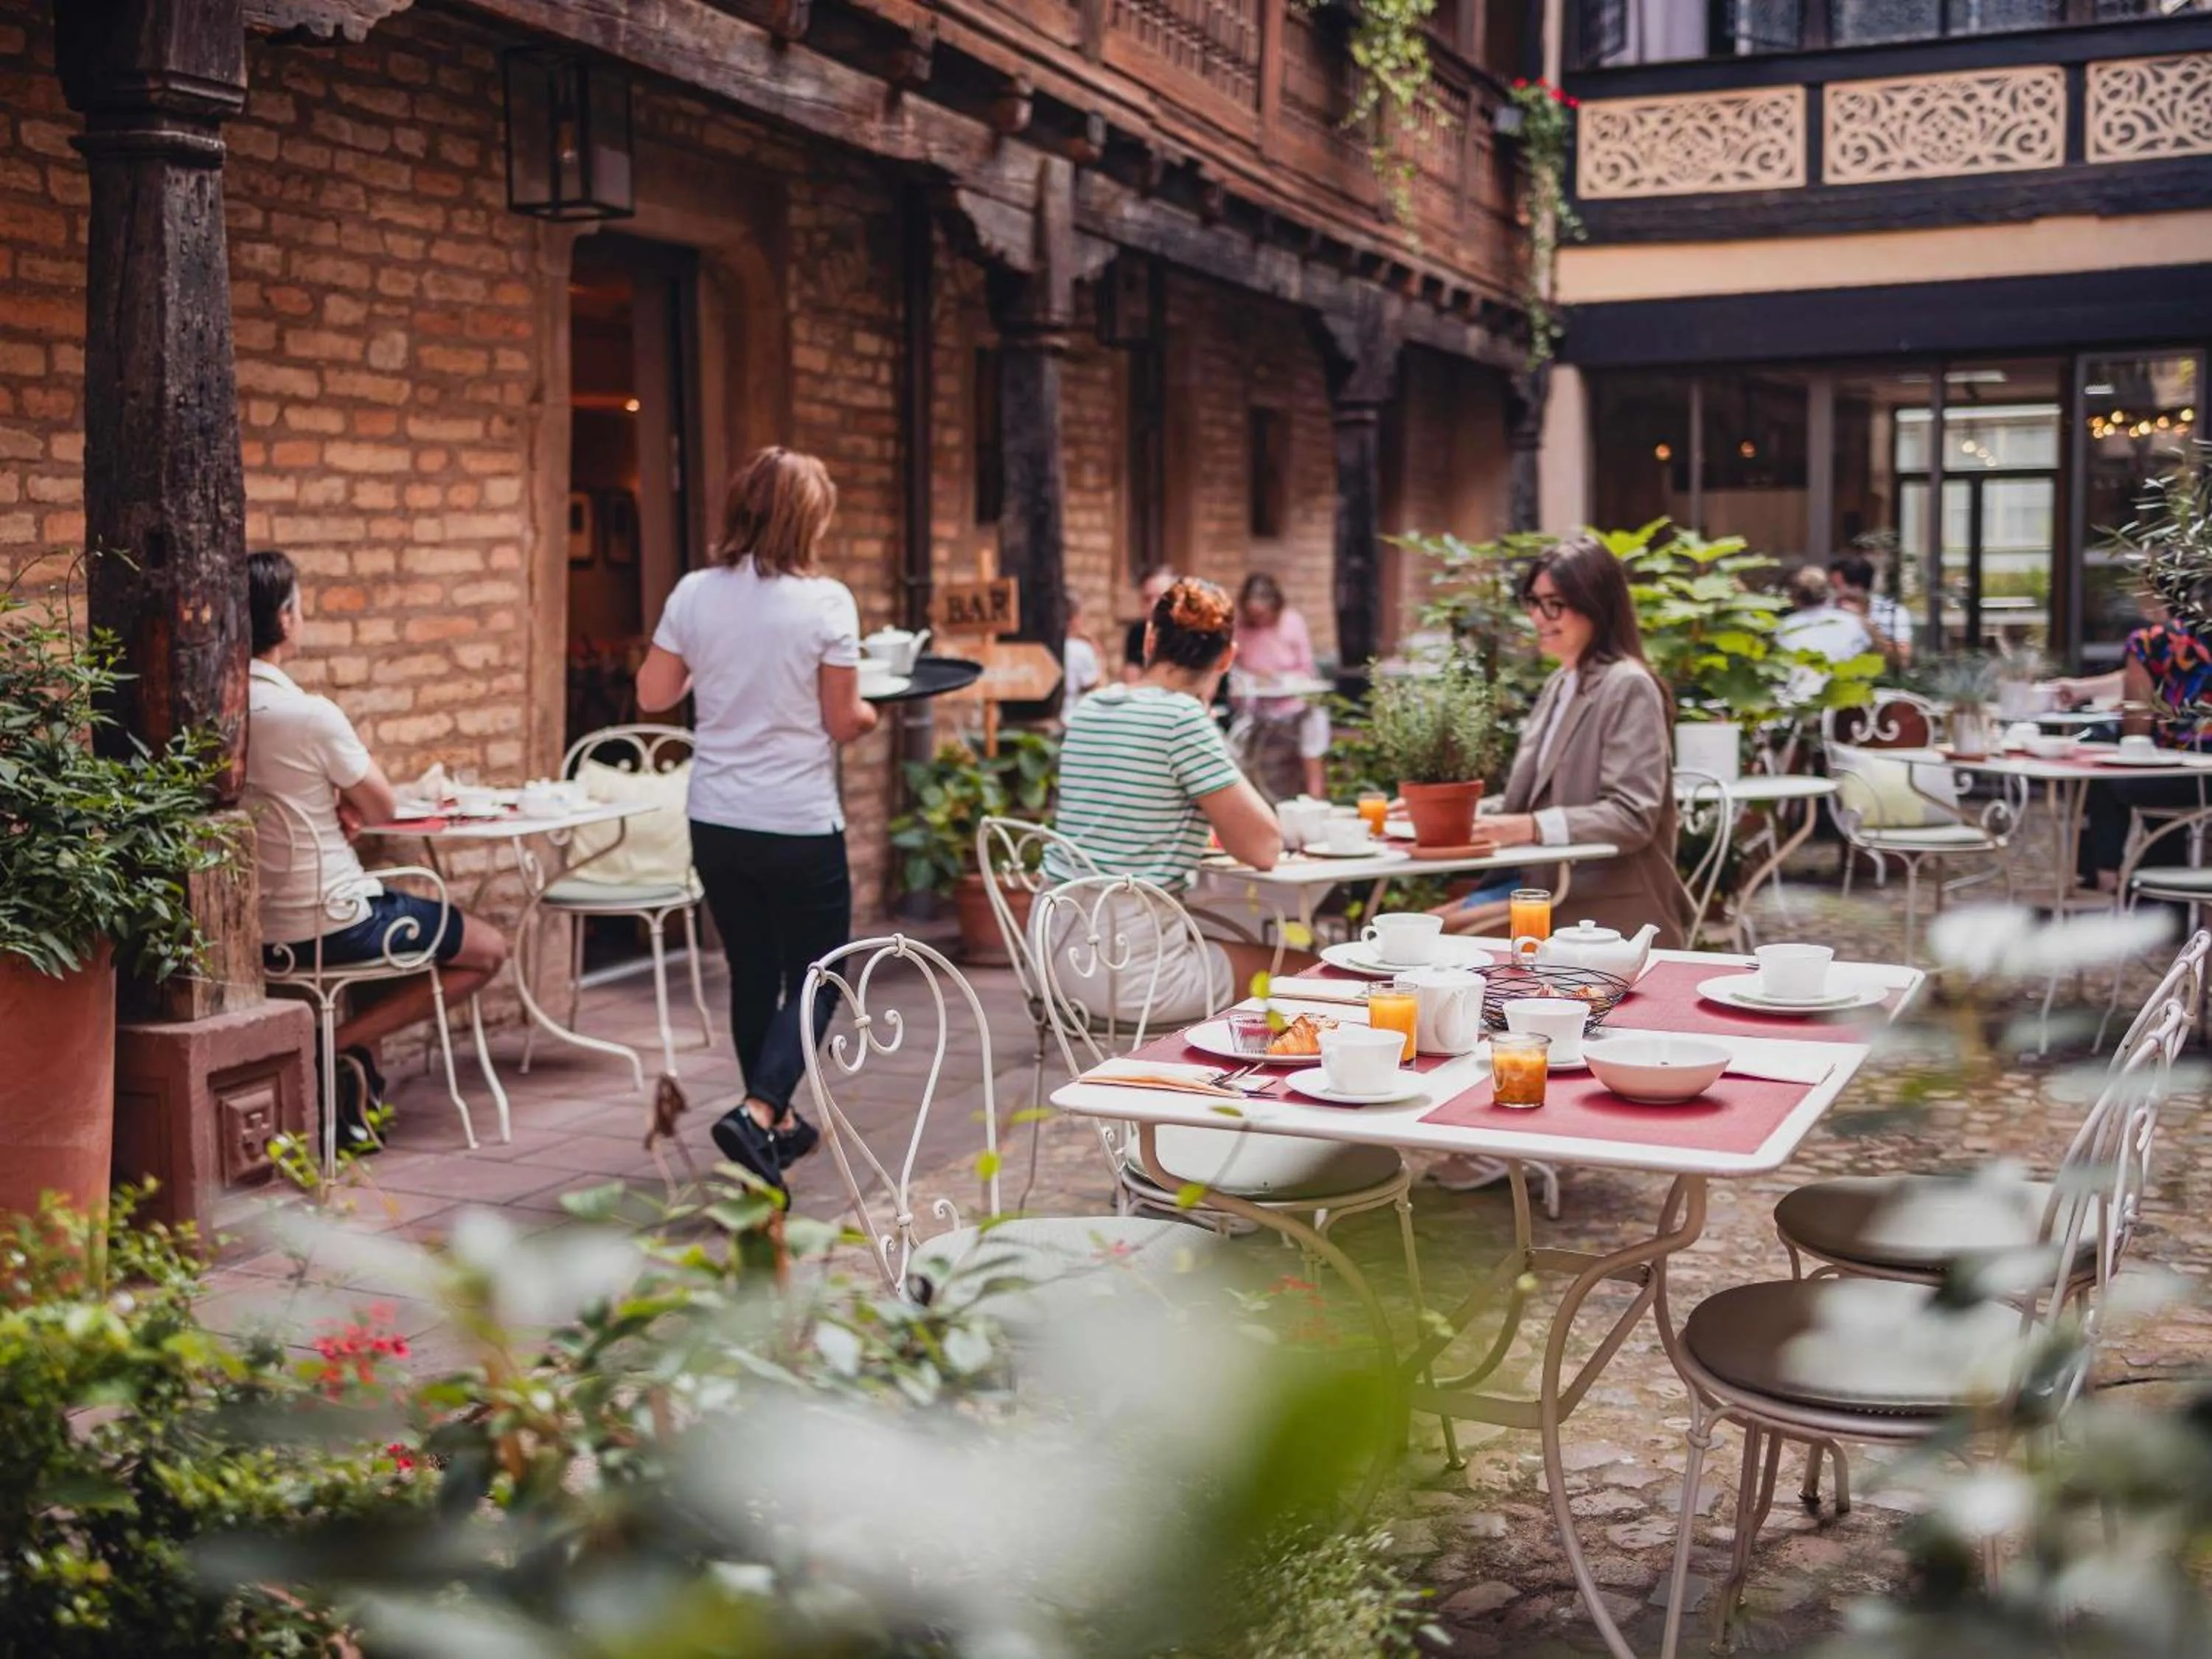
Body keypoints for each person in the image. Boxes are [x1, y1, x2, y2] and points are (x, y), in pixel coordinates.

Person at [635, 447, 877, 1194]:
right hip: (797, 822)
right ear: (810, 521)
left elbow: (652, 695)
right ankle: (762, 1107)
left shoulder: (693, 594)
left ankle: (764, 1128)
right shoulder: (827, 602)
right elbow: (842, 721)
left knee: (753, 972)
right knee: (821, 975)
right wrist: (869, 711)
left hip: (718, 818)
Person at [246, 549, 509, 1149]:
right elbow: (387, 809)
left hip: (263, 930)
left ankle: (357, 1098)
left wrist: (335, 807)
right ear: (285, 621)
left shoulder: (220, 713)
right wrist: (354, 807)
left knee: (387, 926)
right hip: (333, 920)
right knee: (487, 949)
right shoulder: (309, 714)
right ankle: (329, 1046)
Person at [1046, 575, 1303, 1020]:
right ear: (1227, 658)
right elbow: (1263, 848)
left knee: (1225, 940)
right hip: (1128, 972)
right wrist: (1203, 730)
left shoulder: (1092, 708)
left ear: (1149, 638)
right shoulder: (1181, 718)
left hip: (1055, 955)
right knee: (1313, 971)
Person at [1437, 535, 1695, 945]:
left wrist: (1528, 828)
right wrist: (1440, 813)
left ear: (1596, 605)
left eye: (1554, 604)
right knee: (1410, 927)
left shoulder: (1628, 686)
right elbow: (1528, 805)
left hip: (1596, 902)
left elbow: (1631, 817)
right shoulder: (1561, 682)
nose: (1539, 618)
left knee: (1428, 939)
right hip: (1541, 885)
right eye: (1534, 603)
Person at [2067, 606, 2212, 887]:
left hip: (2180, 774)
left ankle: (2107, 878)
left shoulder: (2151, 642)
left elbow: (2137, 731)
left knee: (2107, 778)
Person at [1230, 571, 1330, 800]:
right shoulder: (1240, 629)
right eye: (1254, 615)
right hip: (1258, 706)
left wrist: (1283, 678)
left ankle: (1316, 795)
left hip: (1293, 700)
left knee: (1316, 719)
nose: (1260, 619)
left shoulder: (1291, 622)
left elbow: (1306, 667)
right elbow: (1234, 670)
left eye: (1264, 614)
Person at [1829, 552, 1913, 667]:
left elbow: (1902, 660)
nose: (1833, 593)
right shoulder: (1828, 611)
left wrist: (1865, 622)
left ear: (1858, 587)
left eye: (1835, 587)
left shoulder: (1892, 612)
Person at [1121, 566, 1177, 684]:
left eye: (1160, 598)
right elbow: (1132, 680)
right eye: (1147, 599)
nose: (1153, 605)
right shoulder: (1138, 632)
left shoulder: (1192, 631)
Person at [1062, 586, 1103, 722]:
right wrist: (1097, 655)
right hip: (1071, 720)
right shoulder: (1081, 649)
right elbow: (1097, 689)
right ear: (1074, 618)